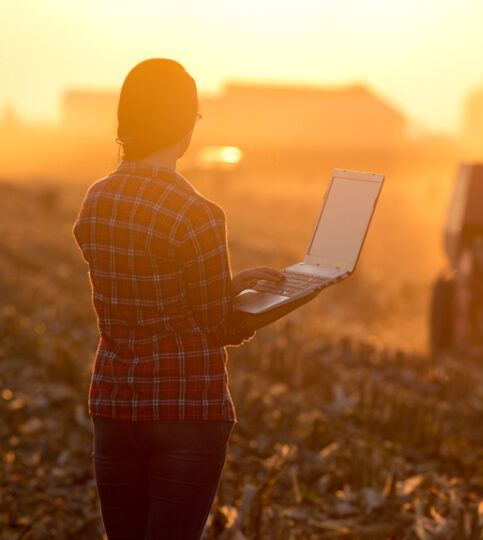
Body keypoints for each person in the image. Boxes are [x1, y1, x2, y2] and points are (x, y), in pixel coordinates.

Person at [73, 59, 310, 539]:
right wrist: (285, 299)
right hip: (186, 410)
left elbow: (147, 287)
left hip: (115, 405)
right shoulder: (198, 214)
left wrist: (230, 282)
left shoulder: (95, 202)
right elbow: (216, 327)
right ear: (184, 124)